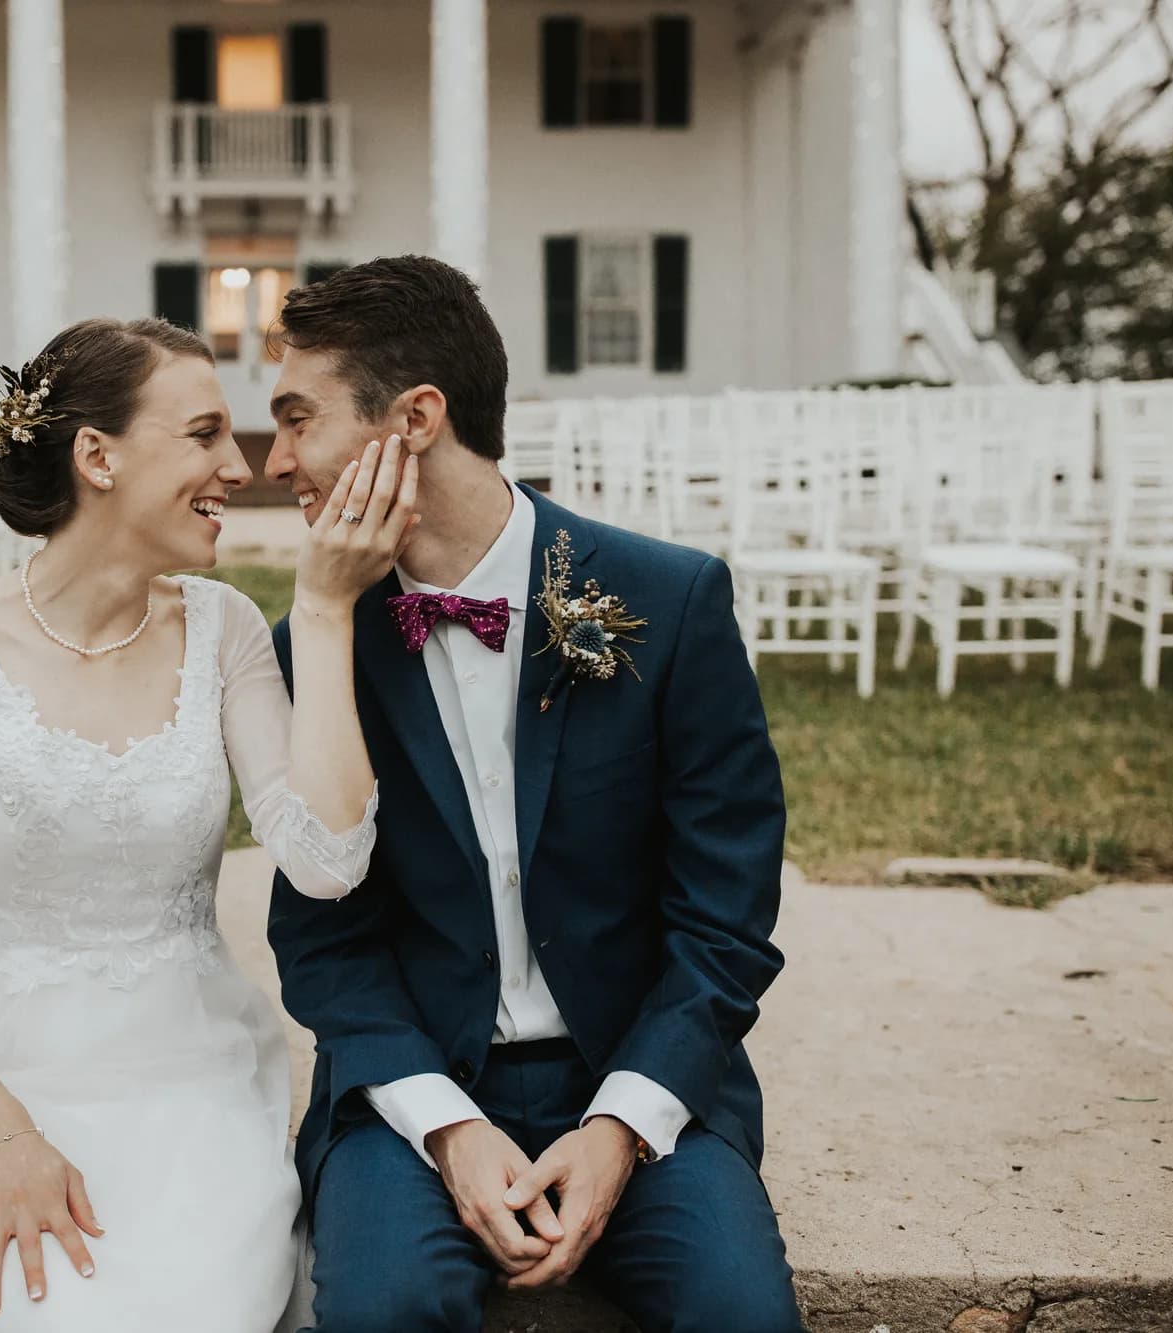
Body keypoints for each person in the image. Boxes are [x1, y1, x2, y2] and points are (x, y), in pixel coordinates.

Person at [0, 316, 416, 1331]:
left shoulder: (224, 631)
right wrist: (2, 1137)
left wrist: (326, 609)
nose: (236, 467)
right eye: (203, 433)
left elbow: (328, 860)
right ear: (96, 455)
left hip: (187, 1076)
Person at [264, 256, 805, 1333]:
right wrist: (444, 1128)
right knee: (383, 1312)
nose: (273, 459)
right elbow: (321, 941)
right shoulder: (311, 646)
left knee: (741, 1315)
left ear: (413, 418)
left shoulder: (668, 599)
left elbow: (725, 914)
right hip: (408, 1094)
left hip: (642, 1076)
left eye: (295, 418)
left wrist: (623, 1125)